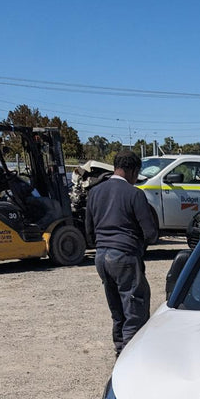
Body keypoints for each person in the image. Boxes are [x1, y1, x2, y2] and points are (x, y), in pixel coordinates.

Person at [86, 150, 158, 355]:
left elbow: (89, 231)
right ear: (133, 171)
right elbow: (150, 233)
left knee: (116, 308)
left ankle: (119, 346)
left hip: (101, 257)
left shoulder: (94, 192)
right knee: (135, 308)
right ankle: (129, 355)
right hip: (124, 255)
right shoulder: (135, 194)